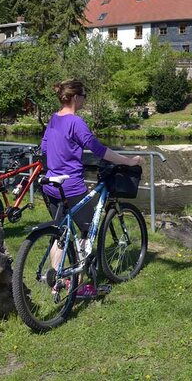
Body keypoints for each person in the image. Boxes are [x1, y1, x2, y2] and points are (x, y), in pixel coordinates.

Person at [41, 79, 142, 298]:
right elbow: (98, 149)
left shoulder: (54, 119)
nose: (85, 100)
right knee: (87, 232)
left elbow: (45, 148)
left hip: (51, 185)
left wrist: (63, 158)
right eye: (84, 96)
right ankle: (79, 287)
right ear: (76, 97)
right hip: (71, 186)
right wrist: (129, 161)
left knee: (61, 232)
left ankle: (57, 282)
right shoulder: (75, 122)